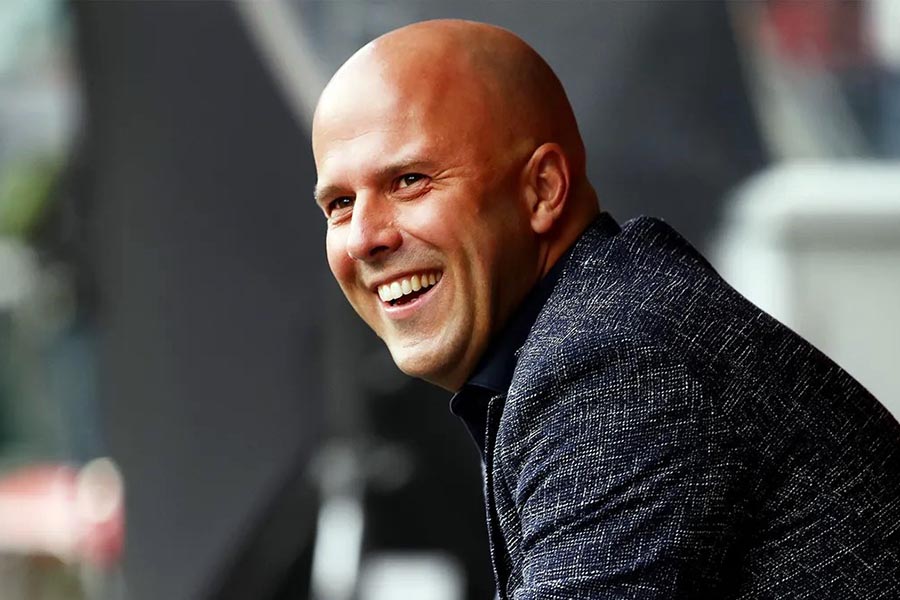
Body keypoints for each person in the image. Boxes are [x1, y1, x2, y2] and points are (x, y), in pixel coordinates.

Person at [311, 19, 900, 599]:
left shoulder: (613, 361)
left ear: (543, 189)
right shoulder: (607, 320)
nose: (364, 238)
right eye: (339, 204)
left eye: (409, 180)